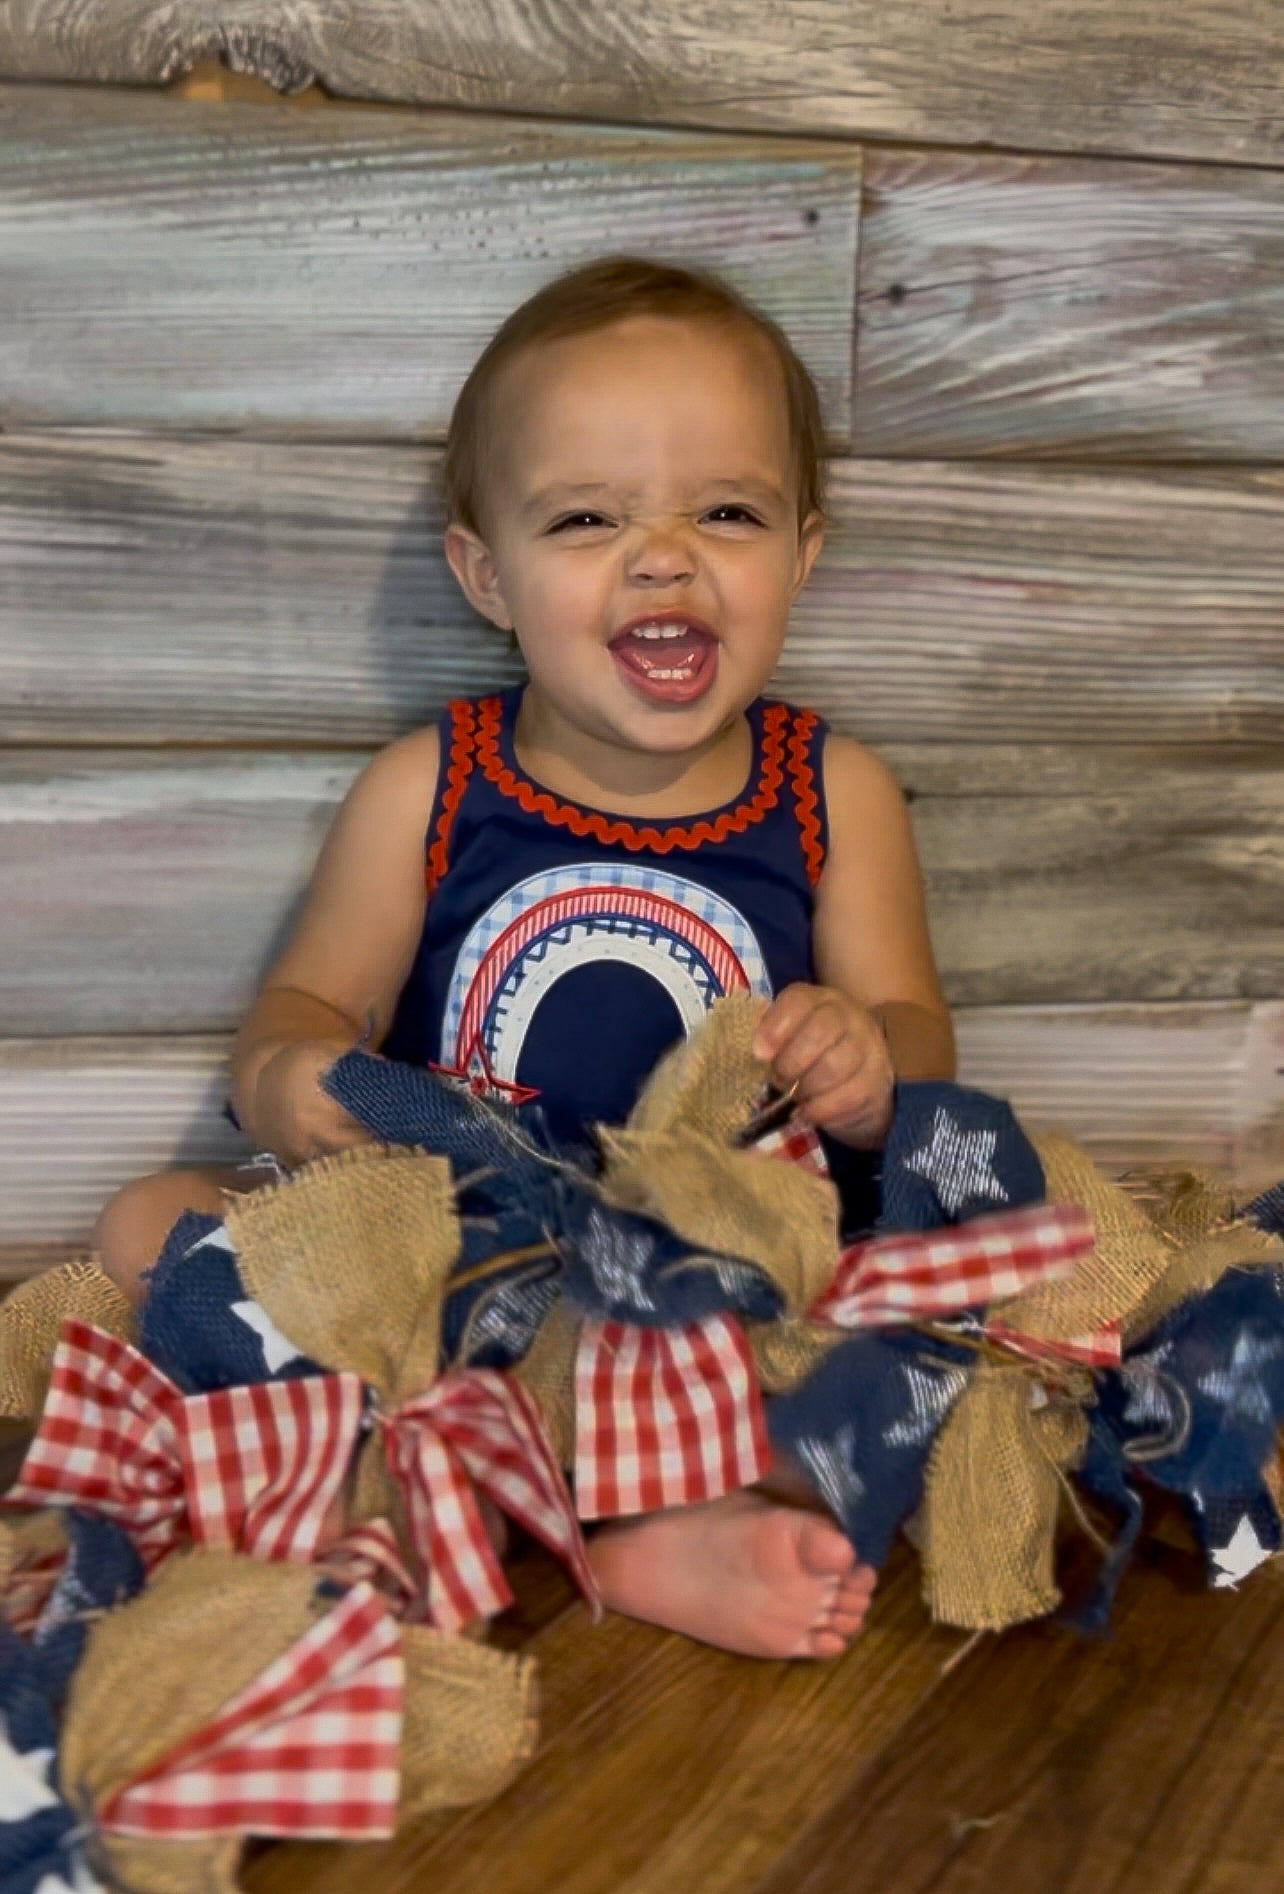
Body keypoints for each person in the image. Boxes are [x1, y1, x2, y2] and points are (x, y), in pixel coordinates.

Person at [95, 255, 956, 1660]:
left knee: (922, 1346)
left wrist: (872, 1065)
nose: (664, 556)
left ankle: (506, 1503)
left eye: (727, 511)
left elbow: (916, 1027)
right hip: (466, 1266)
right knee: (153, 1226)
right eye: (587, 518)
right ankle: (607, 1503)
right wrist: (286, 1081)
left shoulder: (830, 789)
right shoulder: (427, 787)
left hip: (706, 1288)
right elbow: (308, 1002)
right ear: (487, 574)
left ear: (803, 552)